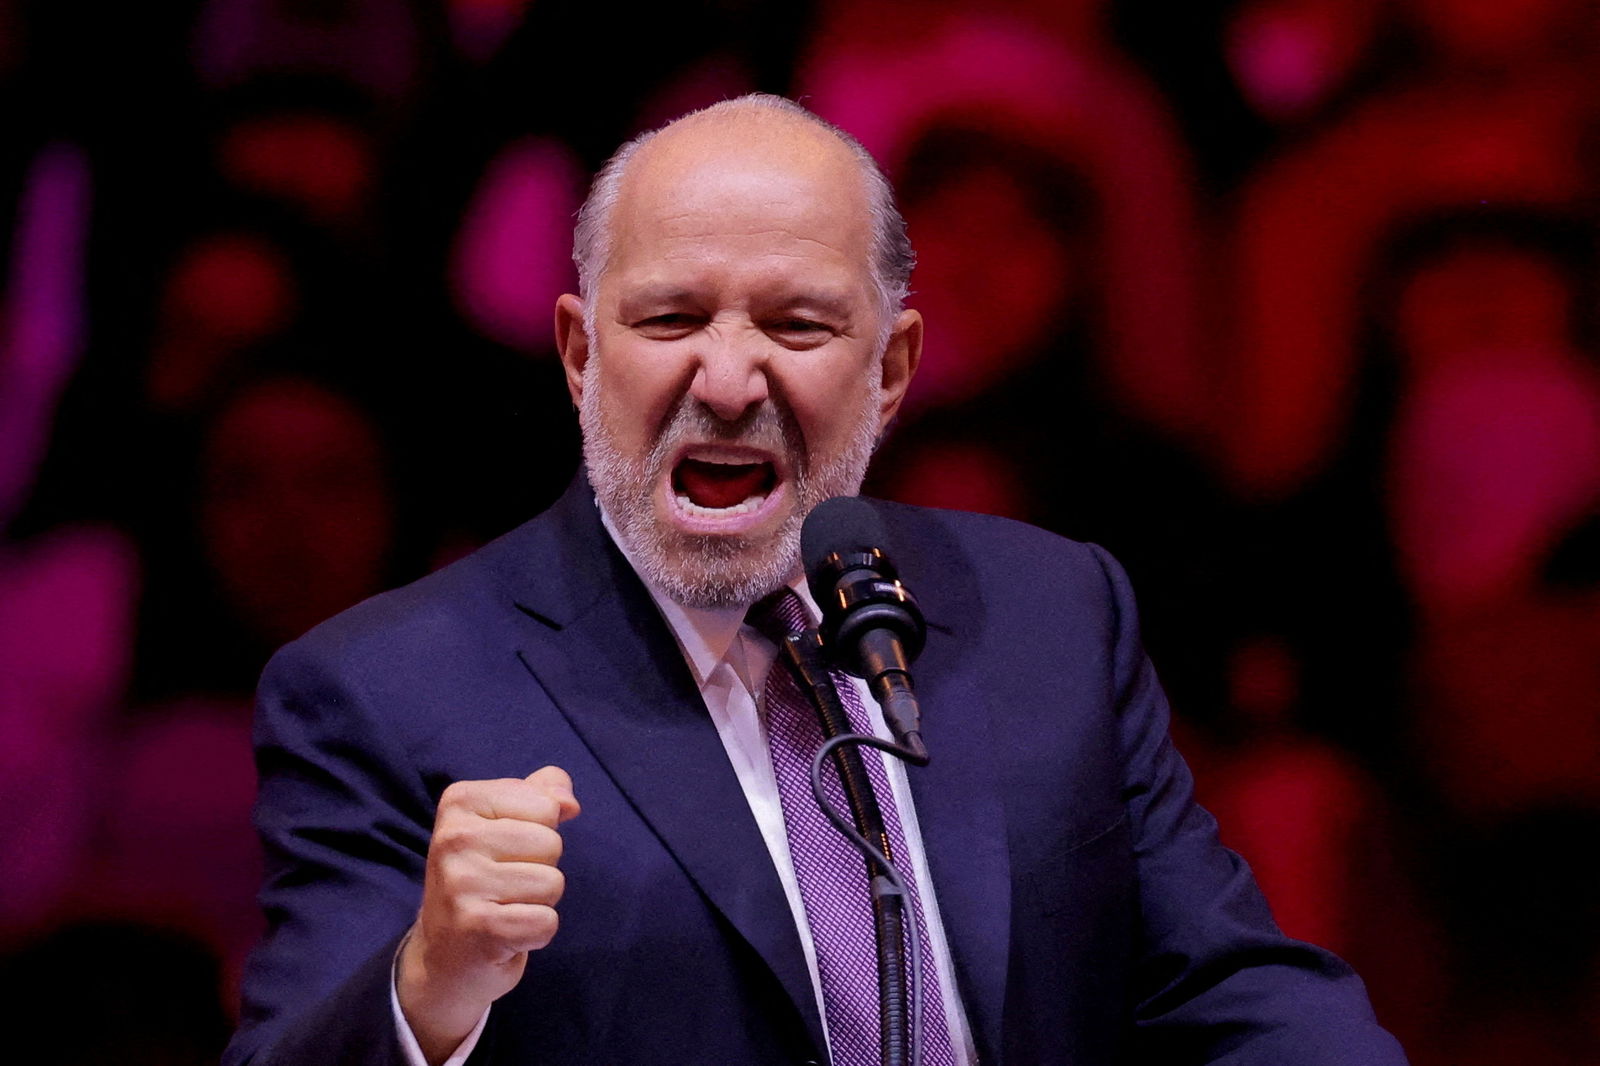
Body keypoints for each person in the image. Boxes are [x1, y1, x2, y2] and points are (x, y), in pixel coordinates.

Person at [224, 94, 1408, 1066]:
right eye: (673, 316)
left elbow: (1231, 989)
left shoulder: (1055, 609)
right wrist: (426, 990)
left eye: (795, 325)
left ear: (891, 368)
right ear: (580, 356)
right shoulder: (385, 687)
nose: (728, 379)